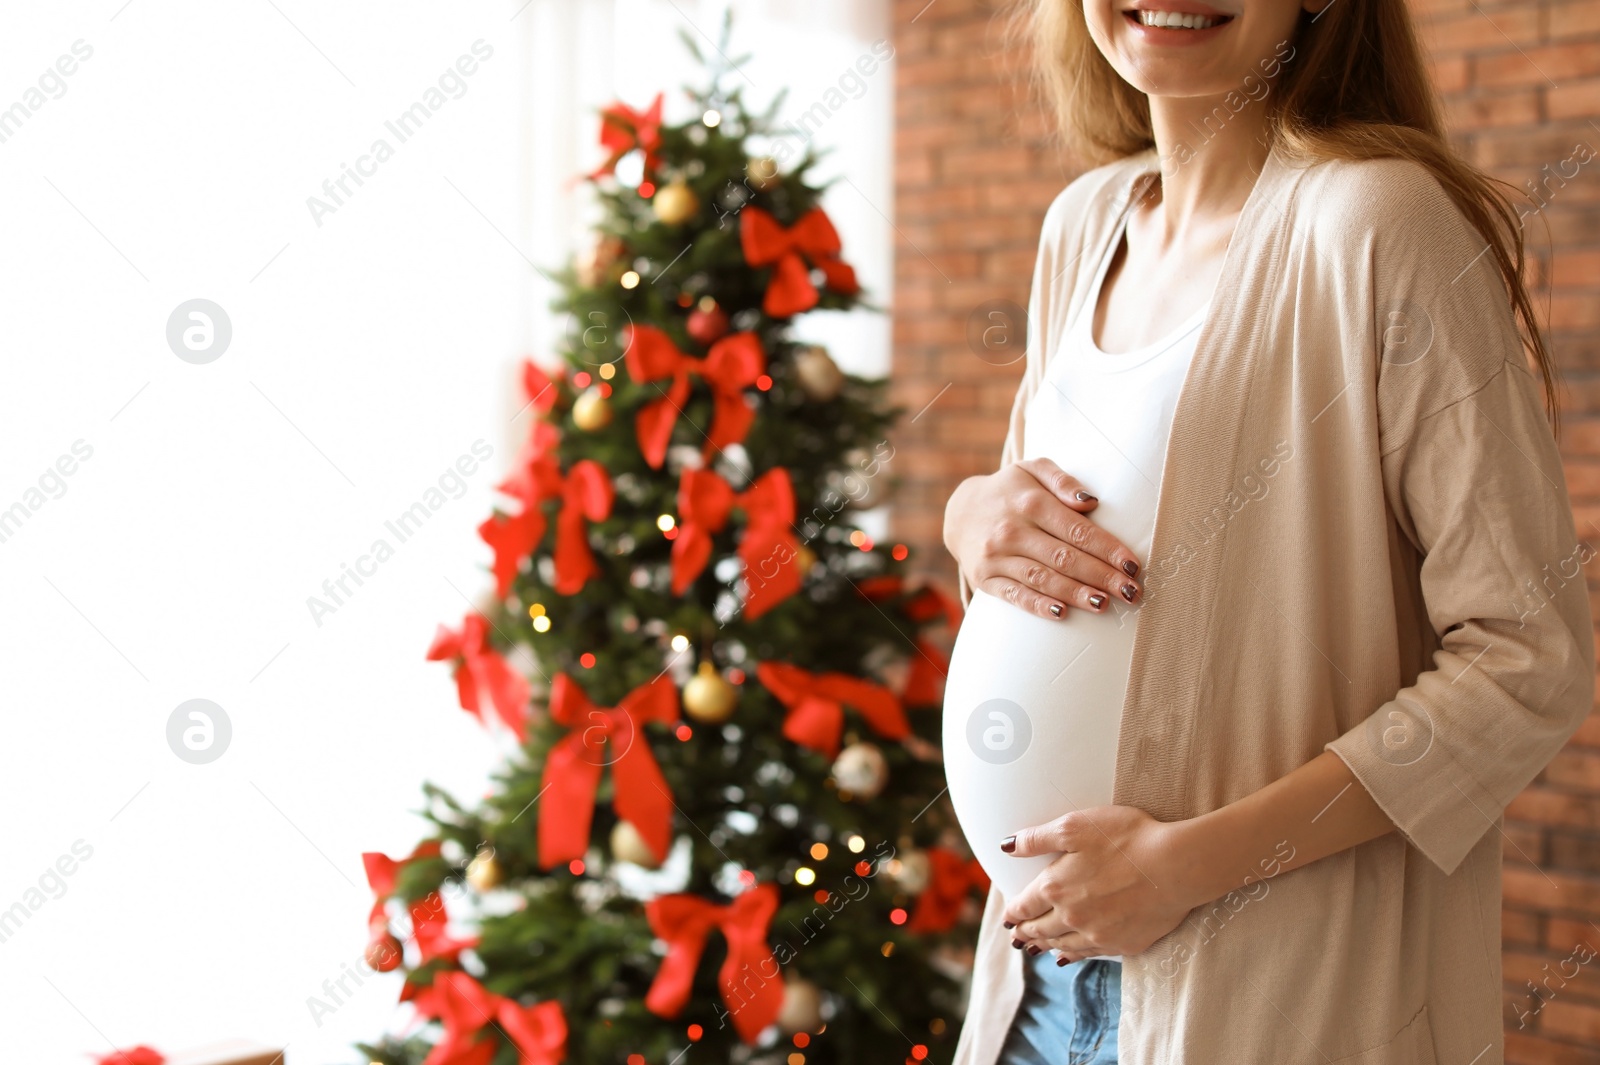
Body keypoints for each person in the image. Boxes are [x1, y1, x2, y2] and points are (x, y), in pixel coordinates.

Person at [938, 1, 1596, 1063]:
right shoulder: (1082, 224)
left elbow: (1529, 659)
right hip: (1036, 982)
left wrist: (1184, 866)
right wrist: (969, 517)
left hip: (1269, 992)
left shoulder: (1375, 224)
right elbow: (1054, 571)